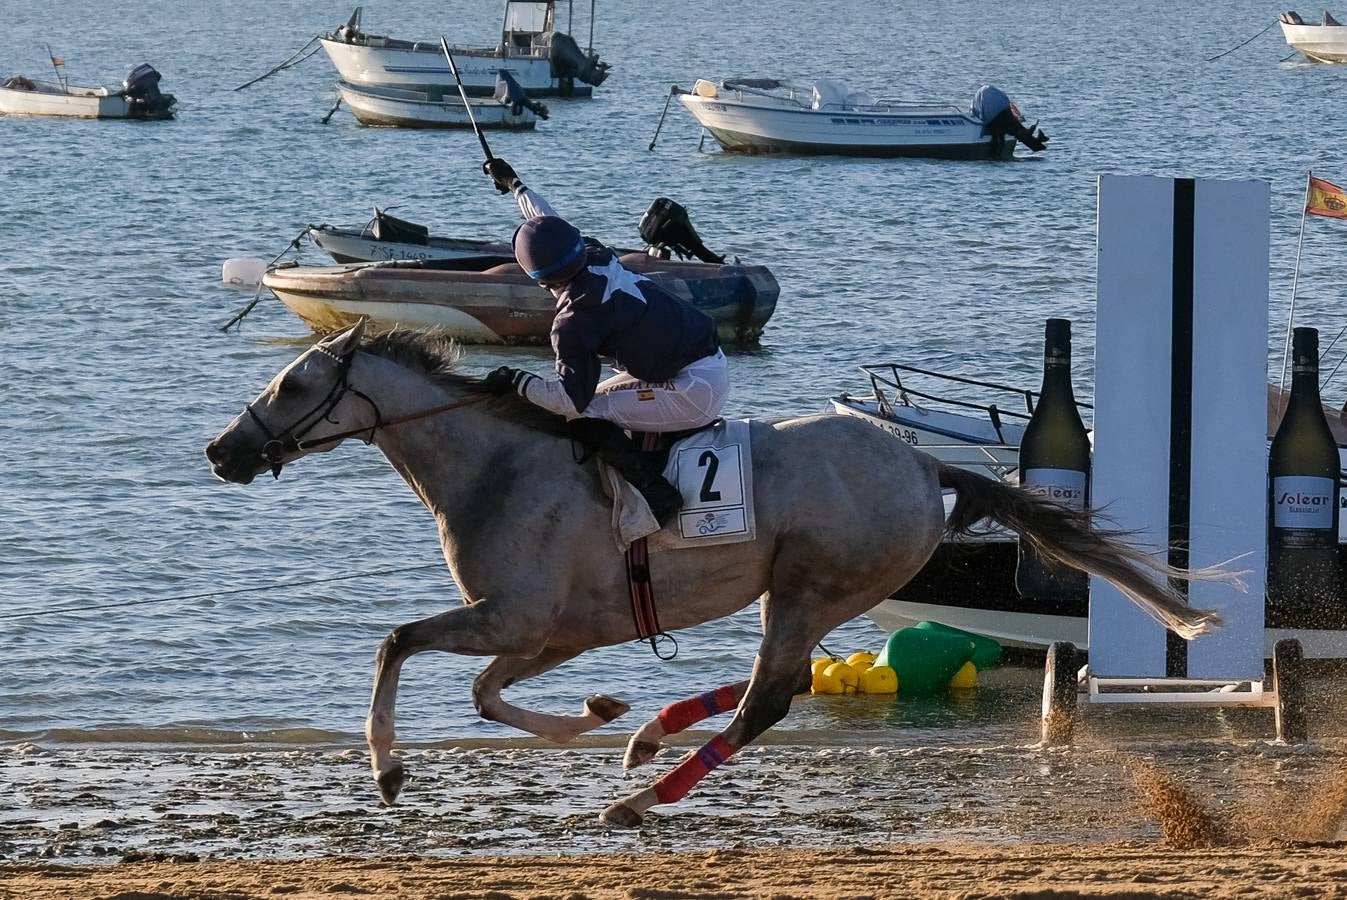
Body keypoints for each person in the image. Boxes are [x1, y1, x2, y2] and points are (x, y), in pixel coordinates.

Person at [479, 157, 730, 525]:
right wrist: (515, 185)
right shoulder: (592, 251)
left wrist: (517, 382)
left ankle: (656, 495)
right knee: (596, 402)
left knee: (582, 413)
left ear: (539, 279)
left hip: (692, 391)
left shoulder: (572, 321)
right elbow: (548, 219)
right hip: (701, 363)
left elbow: (568, 401)